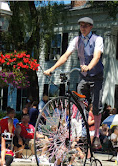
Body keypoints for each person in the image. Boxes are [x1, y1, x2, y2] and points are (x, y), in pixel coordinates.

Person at [44, 17, 104, 145]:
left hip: (96, 76)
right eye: (81, 26)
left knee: (97, 106)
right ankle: (80, 129)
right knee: (78, 101)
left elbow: (97, 56)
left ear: (91, 27)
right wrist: (52, 68)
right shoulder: (77, 40)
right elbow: (65, 56)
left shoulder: (97, 39)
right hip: (84, 76)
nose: (83, 28)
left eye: (86, 26)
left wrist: (89, 66)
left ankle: (97, 134)